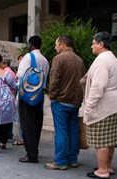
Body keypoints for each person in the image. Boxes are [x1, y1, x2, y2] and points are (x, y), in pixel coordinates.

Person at [81, 31, 117, 179]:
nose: (91, 46)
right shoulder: (113, 58)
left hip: (105, 107)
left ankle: (102, 170)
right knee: (110, 140)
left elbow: (98, 86)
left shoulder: (102, 60)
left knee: (101, 140)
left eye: (94, 43)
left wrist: (89, 106)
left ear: (101, 44)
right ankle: (108, 166)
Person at [44, 35, 85, 170]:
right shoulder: (79, 60)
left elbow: (54, 79)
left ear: (62, 44)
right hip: (75, 101)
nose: (55, 47)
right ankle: (73, 159)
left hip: (61, 101)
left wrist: (52, 96)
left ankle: (60, 161)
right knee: (73, 131)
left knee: (61, 131)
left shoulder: (59, 58)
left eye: (56, 45)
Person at [16, 35, 49, 163]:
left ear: (31, 45)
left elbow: (20, 76)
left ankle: (31, 155)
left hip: (26, 96)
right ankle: (35, 150)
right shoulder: (45, 60)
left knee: (27, 125)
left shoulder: (28, 57)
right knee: (36, 125)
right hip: (39, 96)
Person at [11, 54, 25, 146]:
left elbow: (17, 84)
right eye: (19, 59)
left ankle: (21, 139)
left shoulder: (22, 71)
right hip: (19, 96)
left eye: (22, 59)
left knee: (20, 118)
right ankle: (21, 138)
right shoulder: (17, 71)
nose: (20, 61)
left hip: (22, 96)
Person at [2, 59, 16, 140]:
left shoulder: (6, 72)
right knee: (10, 116)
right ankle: (10, 134)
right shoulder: (13, 72)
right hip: (12, 95)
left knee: (5, 117)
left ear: (5, 64)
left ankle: (7, 135)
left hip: (6, 96)